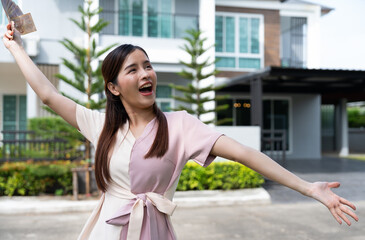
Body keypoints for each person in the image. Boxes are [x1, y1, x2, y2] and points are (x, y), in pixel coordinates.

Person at [3, 22, 358, 240]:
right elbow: (48, 95)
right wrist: (15, 47)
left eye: (148, 66)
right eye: (133, 69)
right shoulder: (102, 126)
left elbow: (247, 155)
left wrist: (308, 187)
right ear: (113, 87)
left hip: (153, 231)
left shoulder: (181, 125)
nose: (146, 74)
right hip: (107, 231)